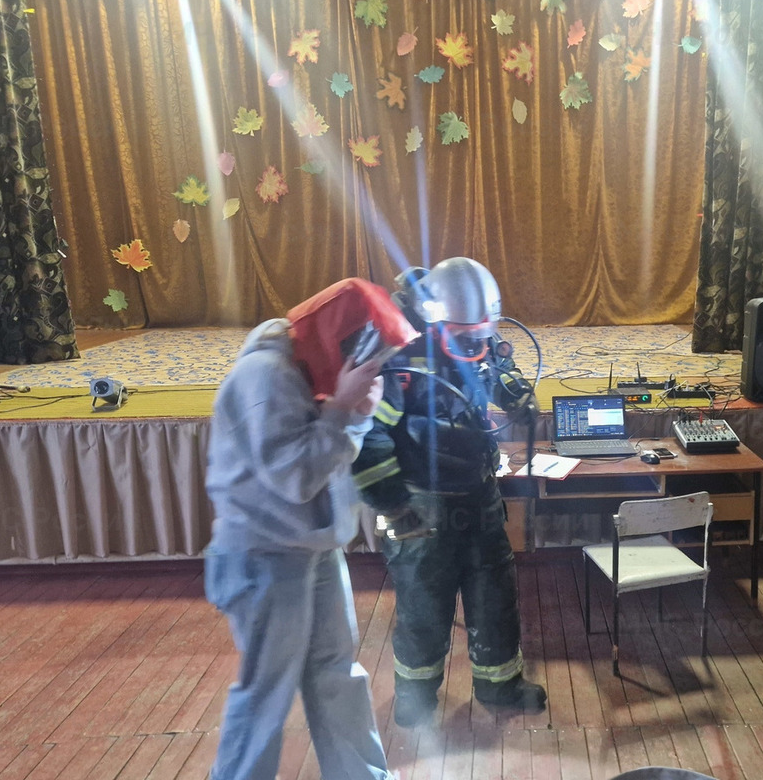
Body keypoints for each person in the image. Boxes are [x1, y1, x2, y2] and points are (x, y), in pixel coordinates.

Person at [204, 278, 417, 780]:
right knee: (266, 691)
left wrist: (357, 415)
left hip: (314, 549)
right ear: (337, 343)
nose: (373, 369)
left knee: (337, 675)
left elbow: (327, 461)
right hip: (263, 555)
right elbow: (297, 477)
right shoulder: (265, 375)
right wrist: (342, 409)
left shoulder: (307, 368)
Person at [352, 256, 546, 728]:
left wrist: (517, 394)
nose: (475, 346)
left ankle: (500, 685)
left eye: (481, 336)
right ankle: (415, 696)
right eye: (464, 337)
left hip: (480, 494)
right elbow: (368, 438)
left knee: (495, 599)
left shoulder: (478, 339)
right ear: (437, 320)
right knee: (422, 607)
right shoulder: (398, 356)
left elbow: (498, 369)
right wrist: (393, 505)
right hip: (420, 504)